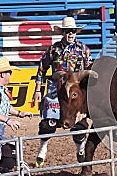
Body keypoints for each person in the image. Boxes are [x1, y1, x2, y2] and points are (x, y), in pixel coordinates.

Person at [32, 17, 93, 167]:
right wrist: (37, 89)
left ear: (75, 32)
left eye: (72, 31)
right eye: (67, 31)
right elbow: (42, 68)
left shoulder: (83, 49)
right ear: (63, 33)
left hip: (75, 90)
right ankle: (42, 150)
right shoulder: (54, 49)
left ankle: (81, 149)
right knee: (48, 123)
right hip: (56, 88)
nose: (70, 34)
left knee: (79, 123)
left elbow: (89, 68)